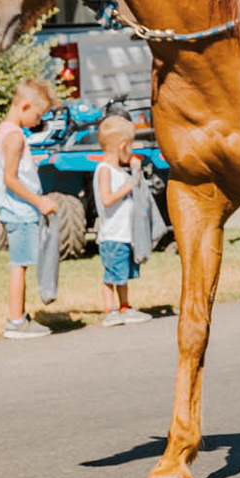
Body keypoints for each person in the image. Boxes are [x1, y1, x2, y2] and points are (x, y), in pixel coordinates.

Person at [0, 78, 59, 338]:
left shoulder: (6, 131)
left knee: (23, 264)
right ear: (25, 106)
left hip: (18, 210)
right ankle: (16, 321)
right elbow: (10, 178)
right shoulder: (14, 137)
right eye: (38, 115)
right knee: (19, 265)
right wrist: (39, 201)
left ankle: (20, 315)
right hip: (19, 211)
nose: (37, 121)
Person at [93, 114, 152, 327]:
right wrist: (127, 187)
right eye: (130, 146)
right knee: (112, 275)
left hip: (125, 234)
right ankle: (110, 311)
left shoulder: (119, 170)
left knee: (123, 274)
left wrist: (135, 172)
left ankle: (124, 306)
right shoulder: (104, 170)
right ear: (121, 146)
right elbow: (107, 198)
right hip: (112, 235)